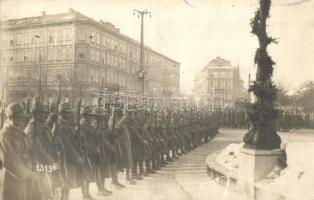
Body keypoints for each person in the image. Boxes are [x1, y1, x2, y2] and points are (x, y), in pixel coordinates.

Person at [0, 103, 33, 200]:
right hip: (11, 179)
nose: (21, 120)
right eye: (18, 118)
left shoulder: (20, 133)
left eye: (21, 118)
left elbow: (28, 150)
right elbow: (10, 160)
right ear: (10, 118)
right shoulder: (4, 135)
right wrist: (28, 173)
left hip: (23, 178)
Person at [52, 102, 85, 200]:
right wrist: (77, 157)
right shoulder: (59, 126)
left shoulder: (67, 124)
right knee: (62, 183)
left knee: (68, 183)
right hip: (62, 158)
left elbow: (73, 140)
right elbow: (66, 144)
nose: (71, 115)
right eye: (68, 113)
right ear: (62, 113)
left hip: (68, 158)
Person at [24, 102, 56, 200]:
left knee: (48, 187)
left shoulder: (43, 125)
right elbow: (36, 147)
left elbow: (49, 140)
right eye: (41, 113)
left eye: (44, 113)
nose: (44, 115)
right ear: (35, 114)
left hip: (46, 160)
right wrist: (48, 158)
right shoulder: (32, 127)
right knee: (41, 189)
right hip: (37, 161)